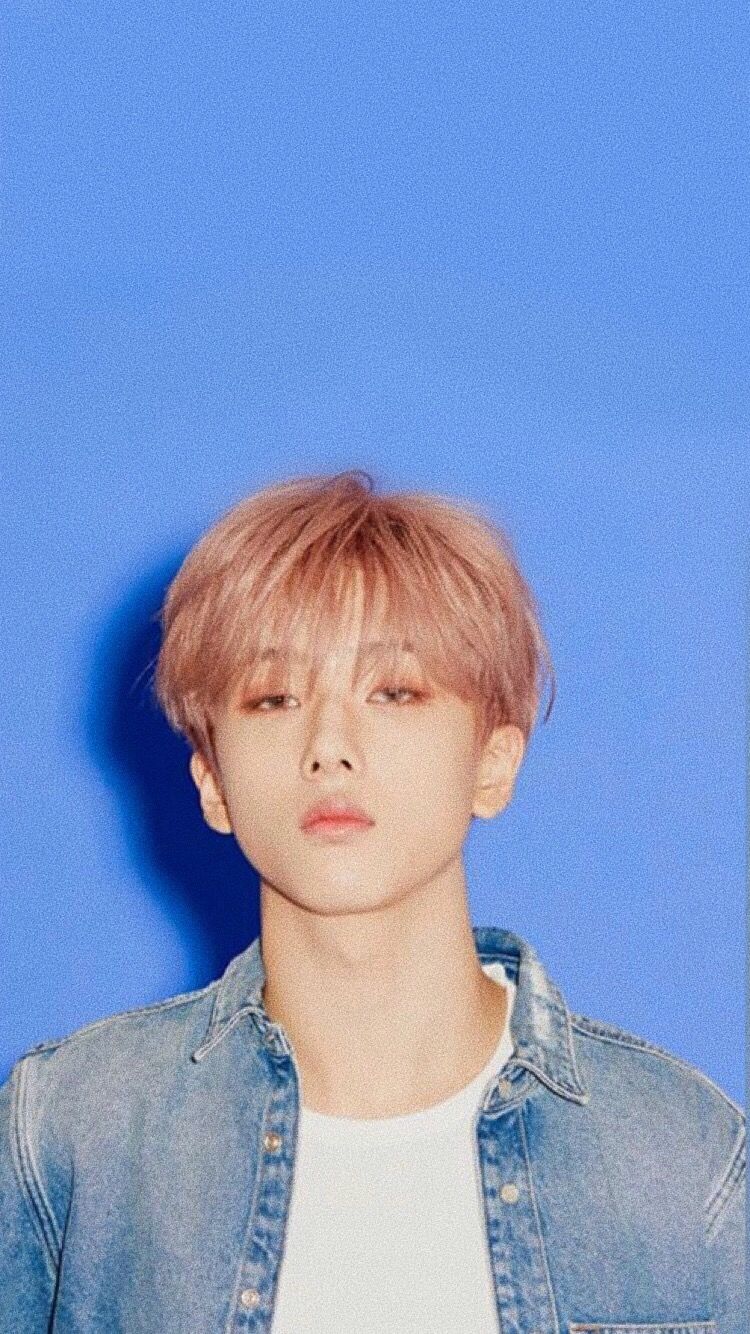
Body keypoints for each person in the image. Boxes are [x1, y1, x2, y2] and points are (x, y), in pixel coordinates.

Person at [1, 468, 744, 1332]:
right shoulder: (75, 1128)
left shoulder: (680, 1153)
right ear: (212, 782)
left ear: (493, 763)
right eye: (274, 698)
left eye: (394, 691)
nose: (329, 745)